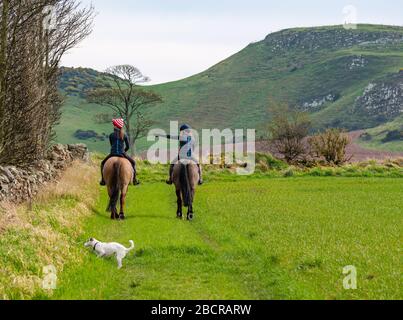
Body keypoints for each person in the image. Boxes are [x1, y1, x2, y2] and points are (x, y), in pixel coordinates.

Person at [100, 118, 139, 186]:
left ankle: (103, 180)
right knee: (133, 163)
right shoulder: (124, 135)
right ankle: (135, 179)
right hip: (122, 153)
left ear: (115, 126)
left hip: (112, 154)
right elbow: (128, 147)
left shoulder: (111, 135)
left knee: (103, 163)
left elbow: (112, 145)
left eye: (113, 125)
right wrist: (124, 151)